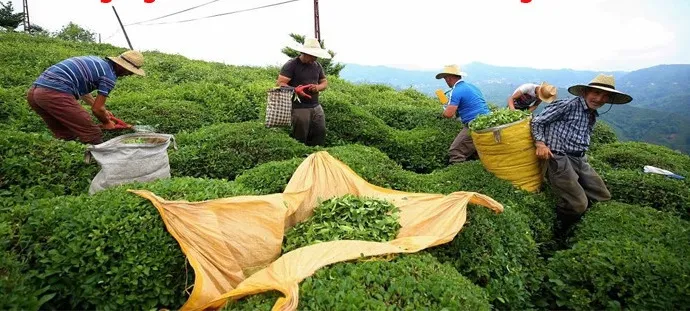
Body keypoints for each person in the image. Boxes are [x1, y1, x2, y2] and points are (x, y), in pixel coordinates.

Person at [531, 73, 633, 237]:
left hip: (579, 158)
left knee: (602, 196)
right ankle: (559, 229)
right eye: (596, 93)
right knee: (578, 204)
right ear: (586, 92)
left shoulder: (591, 112)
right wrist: (540, 143)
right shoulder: (568, 105)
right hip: (560, 157)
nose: (599, 99)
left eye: (605, 96)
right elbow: (537, 121)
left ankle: (587, 226)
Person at [27, 50, 145, 144]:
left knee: (64, 134)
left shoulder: (98, 62)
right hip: (54, 94)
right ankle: (101, 162)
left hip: (34, 94)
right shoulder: (109, 75)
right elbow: (97, 109)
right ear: (122, 67)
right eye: (130, 71)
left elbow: (84, 94)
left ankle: (68, 158)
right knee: (92, 133)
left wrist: (103, 111)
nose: (129, 75)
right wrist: (106, 122)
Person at [276, 38, 331, 146]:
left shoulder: (317, 66)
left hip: (316, 106)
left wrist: (317, 87)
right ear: (304, 53)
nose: (315, 58)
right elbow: (280, 84)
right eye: (312, 55)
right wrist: (295, 90)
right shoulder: (292, 65)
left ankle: (316, 157)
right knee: (300, 136)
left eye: (316, 56)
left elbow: (324, 82)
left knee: (320, 132)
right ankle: (300, 158)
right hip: (299, 107)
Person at [436, 65, 491, 163]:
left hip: (475, 123)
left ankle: (457, 176)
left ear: (449, 77)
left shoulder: (456, 91)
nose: (445, 80)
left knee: (455, 151)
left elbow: (449, 114)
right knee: (476, 152)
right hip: (488, 121)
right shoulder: (472, 87)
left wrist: (444, 110)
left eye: (445, 78)